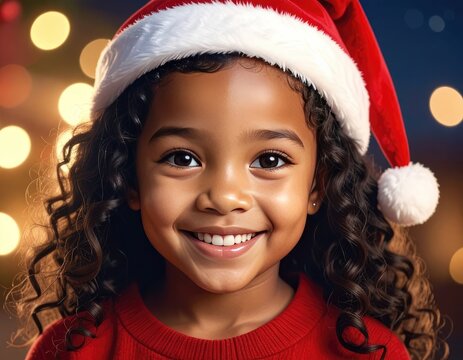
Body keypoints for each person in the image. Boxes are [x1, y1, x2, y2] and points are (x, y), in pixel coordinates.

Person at [7, 0, 448, 359]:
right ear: (129, 178)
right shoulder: (73, 351)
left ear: (319, 185)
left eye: (270, 160)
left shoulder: (368, 353)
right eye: (182, 158)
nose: (224, 196)